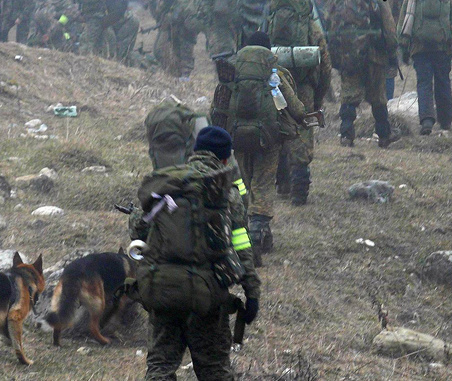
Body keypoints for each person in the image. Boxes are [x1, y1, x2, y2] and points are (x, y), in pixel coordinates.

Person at [133, 126, 261, 380]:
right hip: (207, 295)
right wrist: (252, 292)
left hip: (162, 289)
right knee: (214, 369)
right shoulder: (225, 193)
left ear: (194, 151)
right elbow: (242, 247)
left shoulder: (169, 183)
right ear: (226, 159)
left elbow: (137, 229)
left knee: (160, 366)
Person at [225, 31, 306, 258]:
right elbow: (296, 107)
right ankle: (258, 233)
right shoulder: (275, 73)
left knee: (245, 181)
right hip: (268, 139)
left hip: (238, 138)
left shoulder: (233, 72)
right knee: (263, 183)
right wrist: (302, 118)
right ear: (268, 51)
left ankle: (243, 232)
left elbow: (221, 105)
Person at [269, 0, 332, 206]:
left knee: (279, 129)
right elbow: (325, 65)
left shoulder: (269, 22)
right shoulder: (311, 27)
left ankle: (282, 183)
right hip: (304, 86)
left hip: (277, 83)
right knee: (301, 131)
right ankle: (299, 190)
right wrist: (319, 96)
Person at [327, 0, 400, 148]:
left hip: (348, 56)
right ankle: (384, 135)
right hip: (374, 57)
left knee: (348, 95)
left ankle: (346, 135)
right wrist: (392, 54)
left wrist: (336, 57)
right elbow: (389, 29)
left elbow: (330, 27)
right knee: (378, 97)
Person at [397, 0, 452, 135]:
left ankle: (426, 121)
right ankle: (445, 121)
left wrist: (403, 47)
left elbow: (402, 23)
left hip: (419, 48)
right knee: (443, 82)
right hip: (442, 48)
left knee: (424, 83)